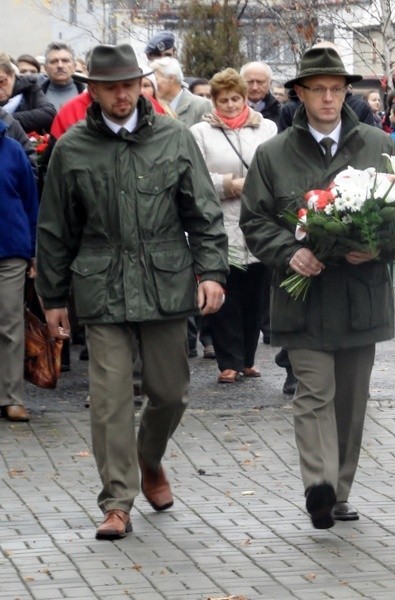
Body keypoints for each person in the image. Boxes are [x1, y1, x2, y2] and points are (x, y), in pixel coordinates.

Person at [35, 44, 228, 540]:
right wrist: (53, 300)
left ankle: (149, 459)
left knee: (171, 392)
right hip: (101, 286)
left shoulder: (173, 137)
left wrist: (211, 272)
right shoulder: (72, 147)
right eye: (111, 86)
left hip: (164, 281)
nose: (122, 94)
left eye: (130, 84)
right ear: (92, 90)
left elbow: (203, 213)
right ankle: (116, 501)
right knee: (109, 398)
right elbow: (55, 229)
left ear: (143, 84)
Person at [239, 46, 395, 529]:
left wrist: (378, 246)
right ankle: (318, 486)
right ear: (300, 94)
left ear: (346, 92)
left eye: (336, 89)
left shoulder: (377, 144)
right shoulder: (273, 153)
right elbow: (255, 221)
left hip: (359, 295)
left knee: (350, 400)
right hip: (300, 295)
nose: (328, 98)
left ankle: (339, 489)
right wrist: (289, 251)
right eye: (318, 89)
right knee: (314, 391)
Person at [190, 68, 278, 383]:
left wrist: (256, 189)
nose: (230, 105)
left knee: (256, 294)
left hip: (257, 221)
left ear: (245, 98)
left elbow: (274, 170)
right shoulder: (200, 133)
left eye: (236, 99)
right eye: (224, 100)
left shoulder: (266, 128)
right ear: (214, 101)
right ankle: (229, 361)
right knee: (228, 294)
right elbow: (196, 177)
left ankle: (249, 358)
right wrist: (231, 185)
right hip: (220, 222)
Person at [0, 117, 38, 423]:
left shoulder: (12, 150)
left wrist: (34, 249)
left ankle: (11, 397)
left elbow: (30, 201)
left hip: (10, 249)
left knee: (10, 321)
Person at [149, 57, 211, 128]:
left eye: (155, 79)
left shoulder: (201, 105)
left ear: (170, 79)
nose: (152, 84)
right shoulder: (151, 107)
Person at [0, 55, 55, 133]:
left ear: (12, 76)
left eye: (2, 82)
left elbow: (48, 114)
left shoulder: (29, 86)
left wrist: (5, 119)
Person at [40, 42, 84, 111]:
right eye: (54, 61)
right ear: (45, 68)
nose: (60, 65)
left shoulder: (90, 93)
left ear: (74, 66)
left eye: (65, 61)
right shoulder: (34, 96)